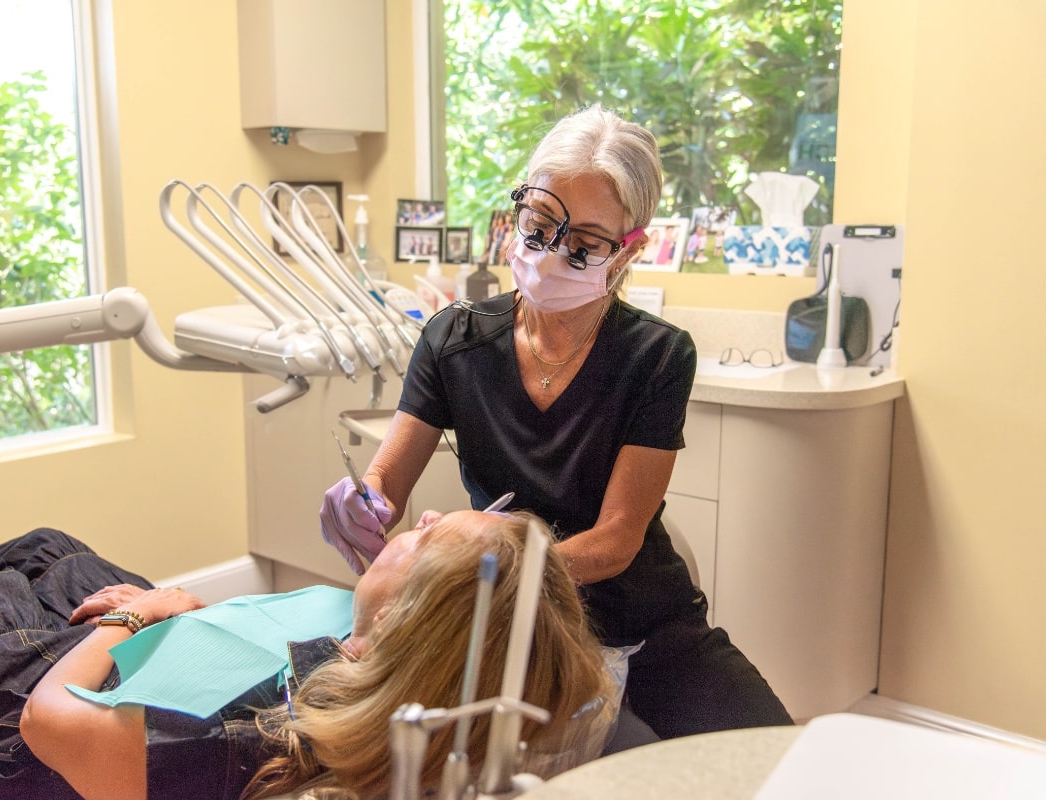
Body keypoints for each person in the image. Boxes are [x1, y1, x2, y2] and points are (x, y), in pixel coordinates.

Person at [320, 104, 793, 741]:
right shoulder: (453, 340)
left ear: (628, 251)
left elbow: (617, 540)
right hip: (498, 622)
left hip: (637, 617)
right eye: (538, 225)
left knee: (773, 757)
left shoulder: (657, 355)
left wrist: (486, 572)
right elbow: (386, 484)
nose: (548, 254)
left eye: (584, 245)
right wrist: (365, 503)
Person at [0, 445, 613, 800]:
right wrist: (188, 612)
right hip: (150, 675)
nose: (430, 511)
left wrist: (130, 620)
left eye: (425, 535)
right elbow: (264, 642)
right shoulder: (368, 663)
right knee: (64, 558)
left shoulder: (244, 745)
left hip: (24, 735)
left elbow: (51, 725)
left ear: (407, 620)